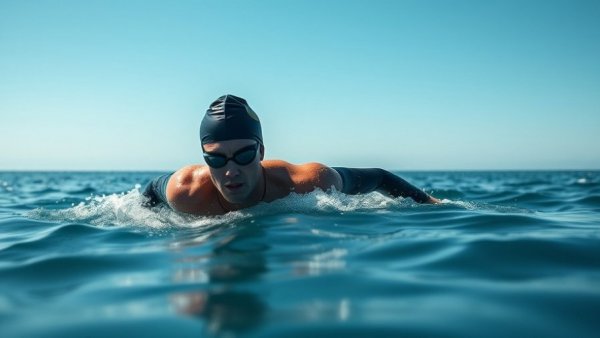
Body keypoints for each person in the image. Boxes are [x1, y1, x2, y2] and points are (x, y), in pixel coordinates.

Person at [143, 94, 439, 215]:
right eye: (217, 159)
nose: (230, 170)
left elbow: (378, 177)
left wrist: (433, 206)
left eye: (244, 155)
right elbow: (151, 189)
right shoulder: (187, 191)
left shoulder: (307, 184)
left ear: (261, 151)